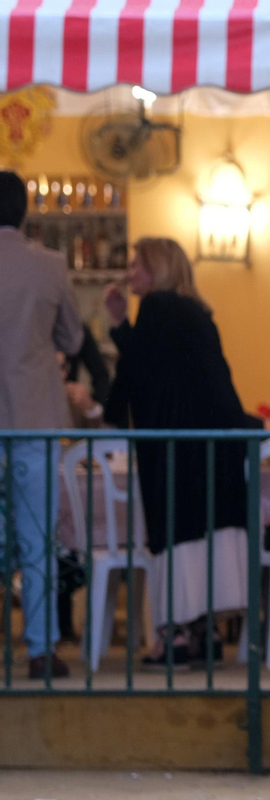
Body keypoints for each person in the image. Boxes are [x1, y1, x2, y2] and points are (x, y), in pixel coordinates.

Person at [104, 237, 254, 668]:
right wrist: (122, 324)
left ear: (158, 269)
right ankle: (205, 633)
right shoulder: (197, 313)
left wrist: (109, 416)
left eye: (137, 264)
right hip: (213, 447)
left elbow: (137, 372)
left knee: (175, 538)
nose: (129, 273)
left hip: (174, 450)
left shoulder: (156, 308)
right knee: (206, 538)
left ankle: (174, 636)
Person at [0, 170, 84, 679]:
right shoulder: (49, 266)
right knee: (37, 540)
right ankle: (40, 649)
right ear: (24, 211)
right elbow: (72, 339)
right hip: (33, 418)